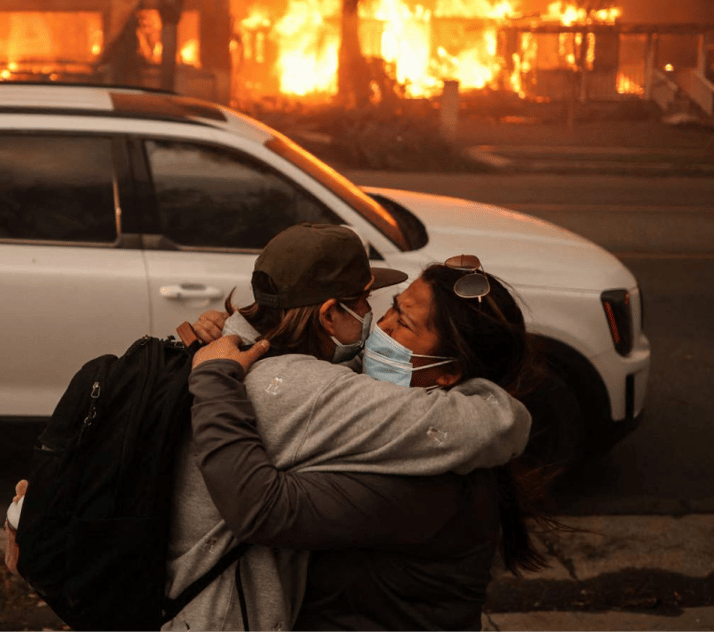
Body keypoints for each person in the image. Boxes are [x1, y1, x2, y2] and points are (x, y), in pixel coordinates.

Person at [161, 225, 532, 632]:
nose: (379, 326)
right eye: (381, 306)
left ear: (450, 371)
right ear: (329, 314)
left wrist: (226, 349)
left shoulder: (432, 478)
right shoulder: (337, 398)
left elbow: (266, 508)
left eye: (401, 322)